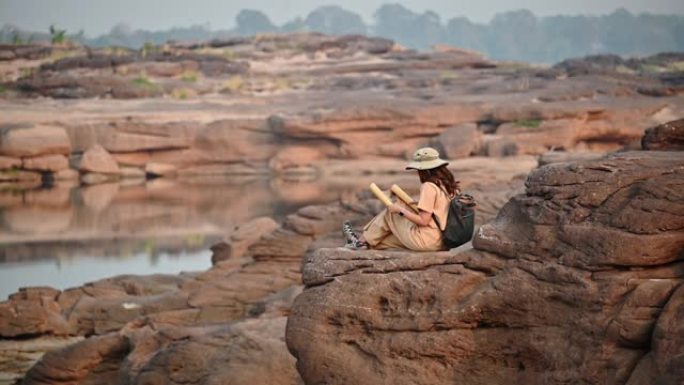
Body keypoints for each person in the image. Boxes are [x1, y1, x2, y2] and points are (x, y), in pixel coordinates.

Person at [343, 147, 458, 251]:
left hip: (427, 240)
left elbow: (424, 221)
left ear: (424, 169)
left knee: (390, 212)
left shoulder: (429, 186)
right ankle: (363, 243)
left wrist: (400, 211)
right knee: (384, 239)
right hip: (442, 241)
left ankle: (359, 242)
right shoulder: (449, 185)